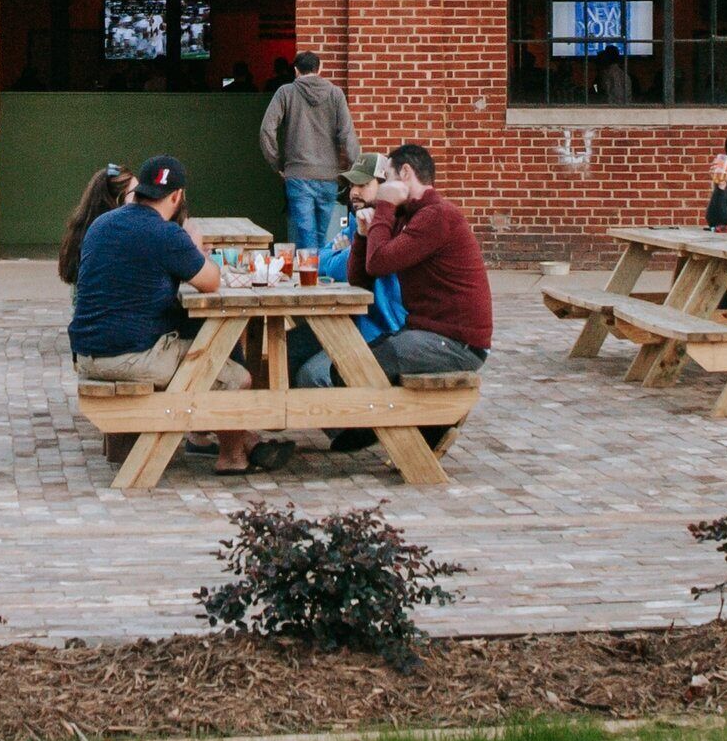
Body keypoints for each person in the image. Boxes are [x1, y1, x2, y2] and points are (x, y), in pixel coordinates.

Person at [68, 155, 277, 473]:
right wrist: (193, 244)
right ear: (177, 196)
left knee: (211, 340)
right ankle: (232, 457)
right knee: (237, 377)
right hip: (128, 358)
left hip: (87, 352)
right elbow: (211, 281)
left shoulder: (103, 223)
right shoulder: (165, 233)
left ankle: (238, 440)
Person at [294, 142, 489, 449]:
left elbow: (380, 261)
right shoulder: (409, 218)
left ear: (406, 174)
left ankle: (392, 430)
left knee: (350, 369)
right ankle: (410, 428)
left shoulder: (436, 215)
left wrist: (382, 208)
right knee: (347, 364)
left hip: (455, 343)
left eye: (387, 177)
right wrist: (361, 235)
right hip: (424, 334)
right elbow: (363, 278)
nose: (382, 187)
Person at [259, 49, 360, 254]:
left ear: (296, 70)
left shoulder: (286, 92)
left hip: (297, 175)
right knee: (322, 237)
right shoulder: (335, 93)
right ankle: (318, 276)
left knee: (305, 238)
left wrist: (277, 164)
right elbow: (347, 135)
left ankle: (309, 280)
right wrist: (356, 171)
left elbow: (266, 130)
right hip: (329, 176)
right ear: (320, 68)